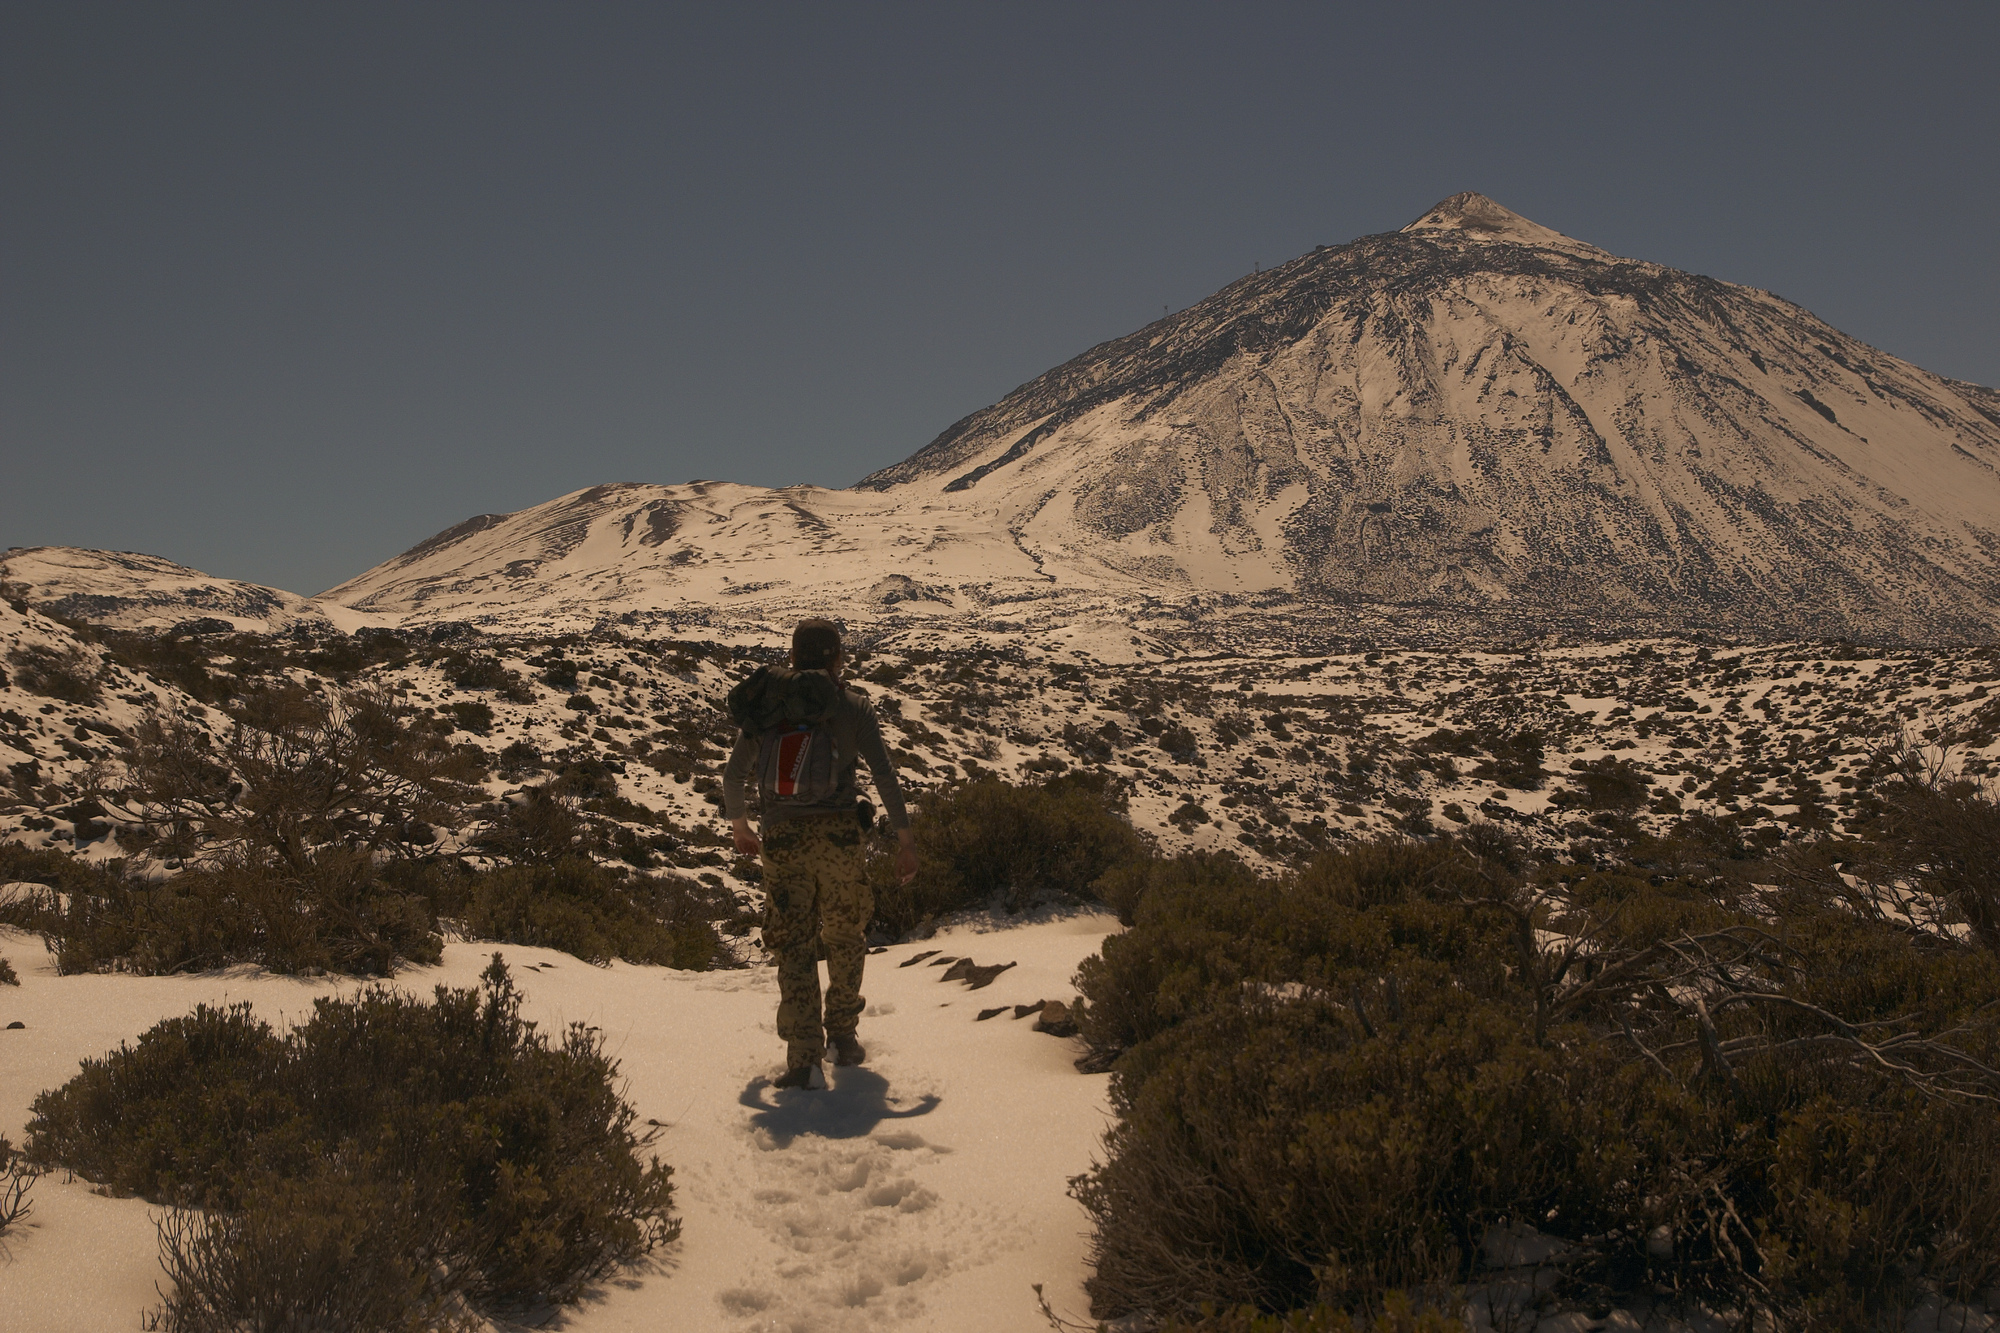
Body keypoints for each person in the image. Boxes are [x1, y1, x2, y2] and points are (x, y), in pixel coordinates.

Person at [724, 618, 918, 1089]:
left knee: (793, 944)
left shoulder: (769, 705)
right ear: (837, 658)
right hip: (839, 841)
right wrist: (906, 841)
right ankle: (844, 1036)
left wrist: (740, 825)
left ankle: (803, 1059)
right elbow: (886, 777)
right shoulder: (853, 707)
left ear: (792, 656)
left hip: (783, 839)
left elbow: (733, 776)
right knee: (845, 935)